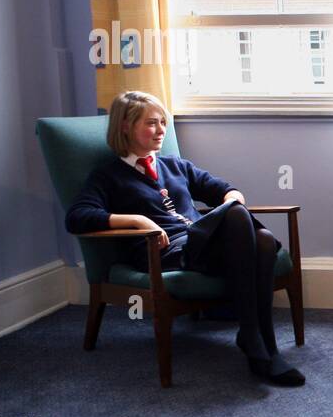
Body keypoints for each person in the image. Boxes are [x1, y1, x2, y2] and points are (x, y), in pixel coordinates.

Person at [65, 91, 304, 386]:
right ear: (125, 126)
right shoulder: (108, 176)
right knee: (260, 237)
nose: (161, 130)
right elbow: (78, 216)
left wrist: (232, 200)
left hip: (200, 243)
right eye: (152, 123)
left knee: (260, 235)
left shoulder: (175, 165)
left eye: (163, 122)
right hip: (165, 252)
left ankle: (256, 338)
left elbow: (225, 189)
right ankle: (261, 344)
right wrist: (138, 220)